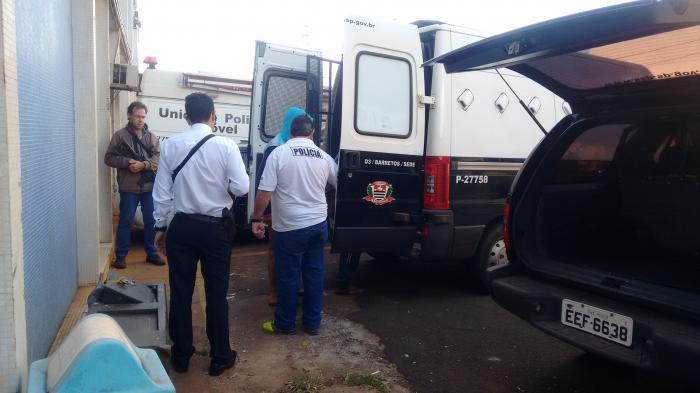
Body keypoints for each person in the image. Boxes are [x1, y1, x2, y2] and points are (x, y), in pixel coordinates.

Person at [152, 93, 249, 376]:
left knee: (181, 292)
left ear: (186, 117)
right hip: (214, 228)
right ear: (213, 116)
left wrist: (160, 227)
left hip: (180, 227)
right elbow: (242, 187)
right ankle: (220, 357)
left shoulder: (170, 145)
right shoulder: (226, 146)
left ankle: (181, 356)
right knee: (216, 294)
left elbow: (161, 193)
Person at [251, 115, 337, 335]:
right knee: (314, 274)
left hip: (289, 227)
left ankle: (285, 323)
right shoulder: (324, 156)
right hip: (318, 224)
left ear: (290, 132)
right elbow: (339, 183)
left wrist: (257, 218)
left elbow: (264, 193)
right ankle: (312, 323)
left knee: (288, 276)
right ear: (312, 133)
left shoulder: (279, 154)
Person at [258, 107, 308, 306]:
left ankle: (293, 287)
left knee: (296, 253)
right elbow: (263, 185)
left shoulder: (296, 147)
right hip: (277, 211)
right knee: (276, 253)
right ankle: (274, 292)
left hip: (298, 211)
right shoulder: (275, 147)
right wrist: (265, 214)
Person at [104, 101, 163, 269]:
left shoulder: (151, 137)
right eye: (137, 116)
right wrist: (127, 161)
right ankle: (121, 256)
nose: (140, 120)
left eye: (143, 117)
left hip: (148, 187)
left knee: (151, 221)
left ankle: (152, 253)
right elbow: (108, 158)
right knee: (126, 221)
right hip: (128, 187)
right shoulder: (119, 136)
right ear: (129, 115)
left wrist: (143, 165)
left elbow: (158, 158)